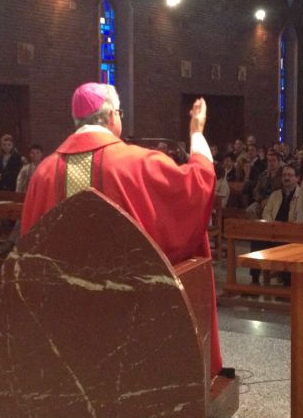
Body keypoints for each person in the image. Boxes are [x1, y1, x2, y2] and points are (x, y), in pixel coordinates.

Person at [20, 82, 223, 376]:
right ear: (113, 116)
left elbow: (30, 248)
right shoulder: (137, 163)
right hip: (130, 313)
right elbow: (197, 184)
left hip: (63, 313)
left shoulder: (44, 173)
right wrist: (196, 133)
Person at [252, 163, 303, 285]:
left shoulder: (302, 196)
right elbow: (267, 212)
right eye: (284, 175)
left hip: (291, 234)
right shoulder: (275, 195)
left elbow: (300, 217)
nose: (287, 178)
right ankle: (254, 279)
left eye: (290, 175)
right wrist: (272, 226)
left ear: (297, 178)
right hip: (273, 232)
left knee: (288, 245)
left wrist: (287, 229)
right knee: (256, 240)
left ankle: (287, 281)